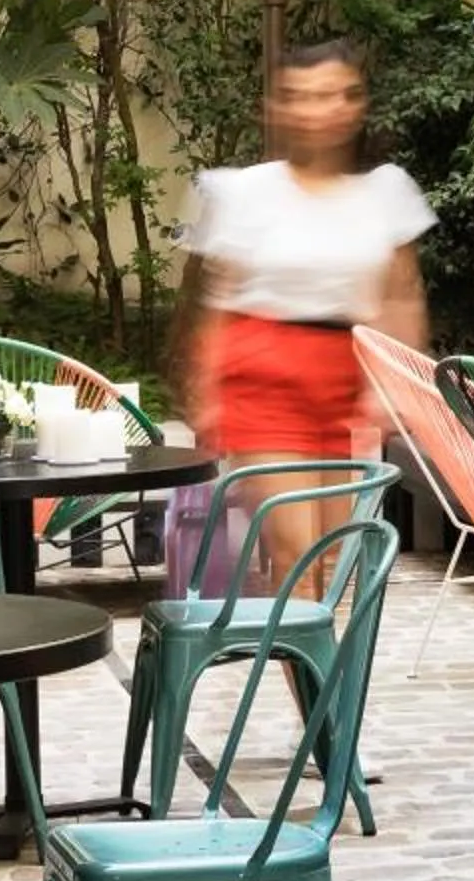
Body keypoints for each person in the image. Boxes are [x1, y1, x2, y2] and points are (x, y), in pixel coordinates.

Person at [176, 39, 432, 595]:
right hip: (262, 380)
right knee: (298, 557)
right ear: (279, 106)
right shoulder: (243, 192)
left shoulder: (385, 194)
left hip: (340, 384)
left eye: (334, 95)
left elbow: (402, 295)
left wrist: (394, 387)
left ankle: (332, 683)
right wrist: (207, 392)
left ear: (356, 103)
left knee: (338, 559)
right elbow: (215, 300)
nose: (319, 109)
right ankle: (325, 686)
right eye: (302, 97)